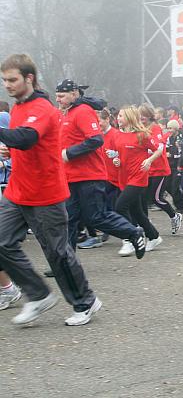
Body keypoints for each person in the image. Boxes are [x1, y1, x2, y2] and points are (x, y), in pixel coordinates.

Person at [0, 54, 102, 326]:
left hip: (46, 193)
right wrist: (7, 149)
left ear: (28, 78)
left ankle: (86, 301)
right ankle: (38, 295)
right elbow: (22, 144)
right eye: (4, 80)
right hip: (17, 191)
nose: (7, 85)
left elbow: (27, 138)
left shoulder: (43, 107)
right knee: (1, 242)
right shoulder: (18, 107)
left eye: (12, 79)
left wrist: (9, 139)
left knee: (57, 252)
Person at [55, 80, 147, 253]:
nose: (58, 100)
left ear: (74, 94)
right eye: (57, 96)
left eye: (61, 96)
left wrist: (68, 153)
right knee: (69, 220)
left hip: (89, 176)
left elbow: (95, 140)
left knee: (96, 217)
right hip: (70, 176)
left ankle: (133, 232)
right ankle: (65, 262)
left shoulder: (82, 111)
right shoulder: (65, 113)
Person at [113, 106, 165, 256]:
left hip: (138, 177)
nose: (118, 118)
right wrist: (117, 159)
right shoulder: (118, 135)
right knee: (137, 212)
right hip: (124, 176)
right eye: (118, 116)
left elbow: (159, 149)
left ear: (129, 118)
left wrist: (149, 160)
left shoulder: (141, 135)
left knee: (120, 206)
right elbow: (120, 153)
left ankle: (130, 239)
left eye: (121, 116)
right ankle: (154, 236)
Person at [139, 104, 182, 234]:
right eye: (139, 115)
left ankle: (174, 216)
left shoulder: (155, 128)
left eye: (144, 115)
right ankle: (145, 224)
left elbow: (159, 148)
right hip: (147, 170)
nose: (141, 118)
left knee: (156, 198)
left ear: (150, 116)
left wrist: (149, 155)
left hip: (160, 169)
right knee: (142, 199)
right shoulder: (142, 129)